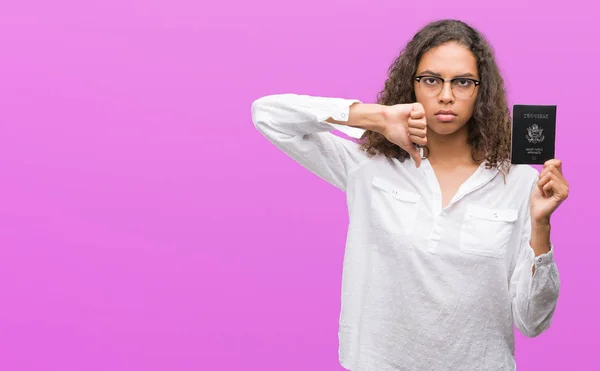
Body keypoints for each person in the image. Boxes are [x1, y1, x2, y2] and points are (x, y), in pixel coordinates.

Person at [250, 19, 568, 371]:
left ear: (481, 90)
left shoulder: (521, 181)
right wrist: (375, 117)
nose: (446, 95)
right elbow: (268, 115)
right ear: (412, 85)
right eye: (431, 80)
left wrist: (541, 225)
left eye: (462, 82)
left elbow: (532, 321)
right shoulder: (368, 164)